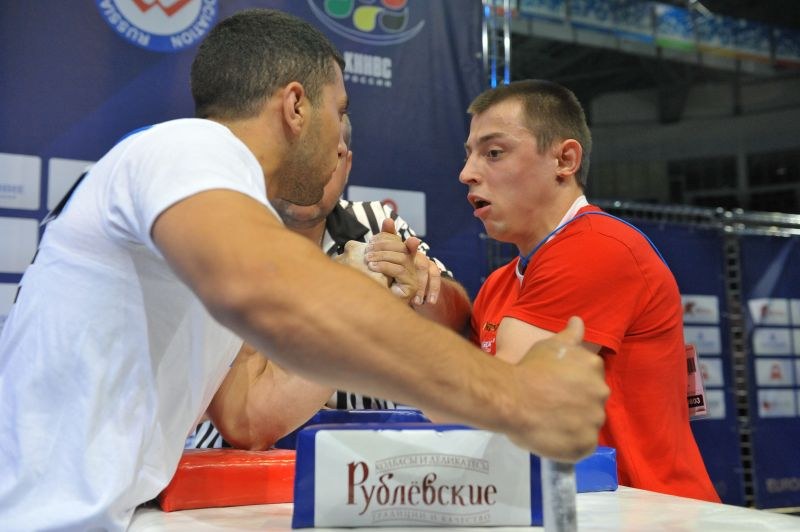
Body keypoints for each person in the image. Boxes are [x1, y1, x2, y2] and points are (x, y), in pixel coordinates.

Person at [0, 10, 608, 530]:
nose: (341, 139)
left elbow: (243, 412)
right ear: (296, 106)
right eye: (337, 109)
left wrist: (377, 294)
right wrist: (514, 395)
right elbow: (278, 293)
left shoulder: (213, 217)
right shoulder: (189, 148)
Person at [461, 79, 719, 502]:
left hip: (650, 514)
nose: (466, 173)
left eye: (493, 152)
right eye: (469, 154)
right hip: (585, 508)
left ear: (564, 159)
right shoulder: (499, 284)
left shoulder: (597, 247)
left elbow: (500, 395)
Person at [193, 115, 472, 449]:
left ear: (347, 163)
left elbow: (457, 318)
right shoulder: (230, 233)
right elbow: (242, 413)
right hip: (238, 458)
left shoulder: (379, 222)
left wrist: (421, 290)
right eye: (304, 151)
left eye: (333, 154)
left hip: (365, 456)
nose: (318, 166)